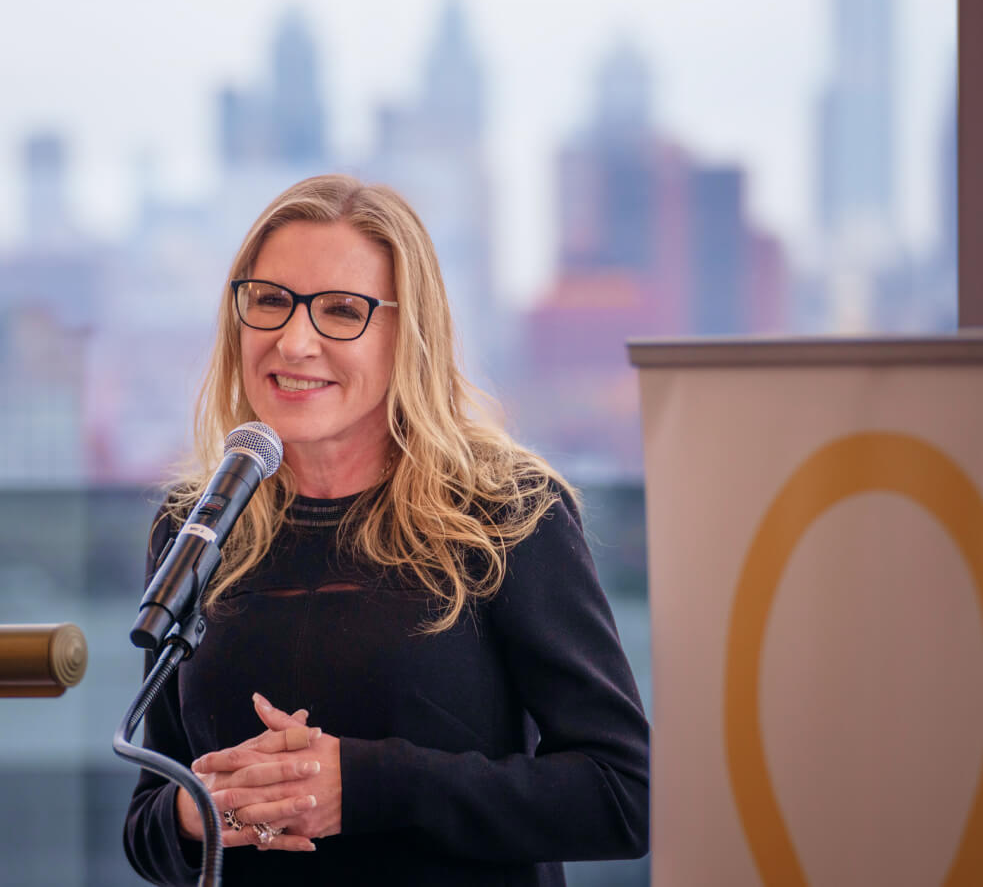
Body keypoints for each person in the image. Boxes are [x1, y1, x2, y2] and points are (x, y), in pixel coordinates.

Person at [123, 175, 649, 885]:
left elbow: (619, 797)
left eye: (342, 311)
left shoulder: (505, 513)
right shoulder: (200, 523)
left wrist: (368, 786)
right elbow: (147, 823)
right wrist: (200, 813)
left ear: (408, 335)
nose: (294, 340)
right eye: (271, 301)